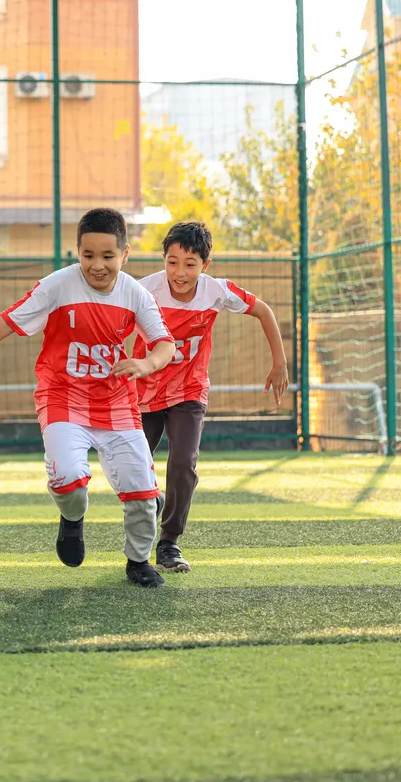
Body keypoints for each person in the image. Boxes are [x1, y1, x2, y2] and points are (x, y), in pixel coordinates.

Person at [0, 208, 175, 588]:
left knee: (143, 495)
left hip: (117, 404)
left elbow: (165, 344)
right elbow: (6, 322)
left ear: (125, 255)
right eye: (88, 255)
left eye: (108, 256)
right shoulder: (56, 286)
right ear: (77, 251)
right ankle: (72, 519)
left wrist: (146, 363)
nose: (97, 265)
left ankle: (138, 561)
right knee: (70, 481)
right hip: (62, 399)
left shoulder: (135, 293)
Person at [134, 220, 289, 572]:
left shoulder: (217, 291)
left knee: (183, 462)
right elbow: (115, 325)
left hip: (189, 391)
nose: (180, 272)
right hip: (143, 390)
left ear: (206, 265)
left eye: (190, 264)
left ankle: (169, 543)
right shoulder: (144, 291)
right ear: (163, 260)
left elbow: (263, 310)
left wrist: (279, 362)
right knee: (132, 465)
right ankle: (152, 499)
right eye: (172, 262)